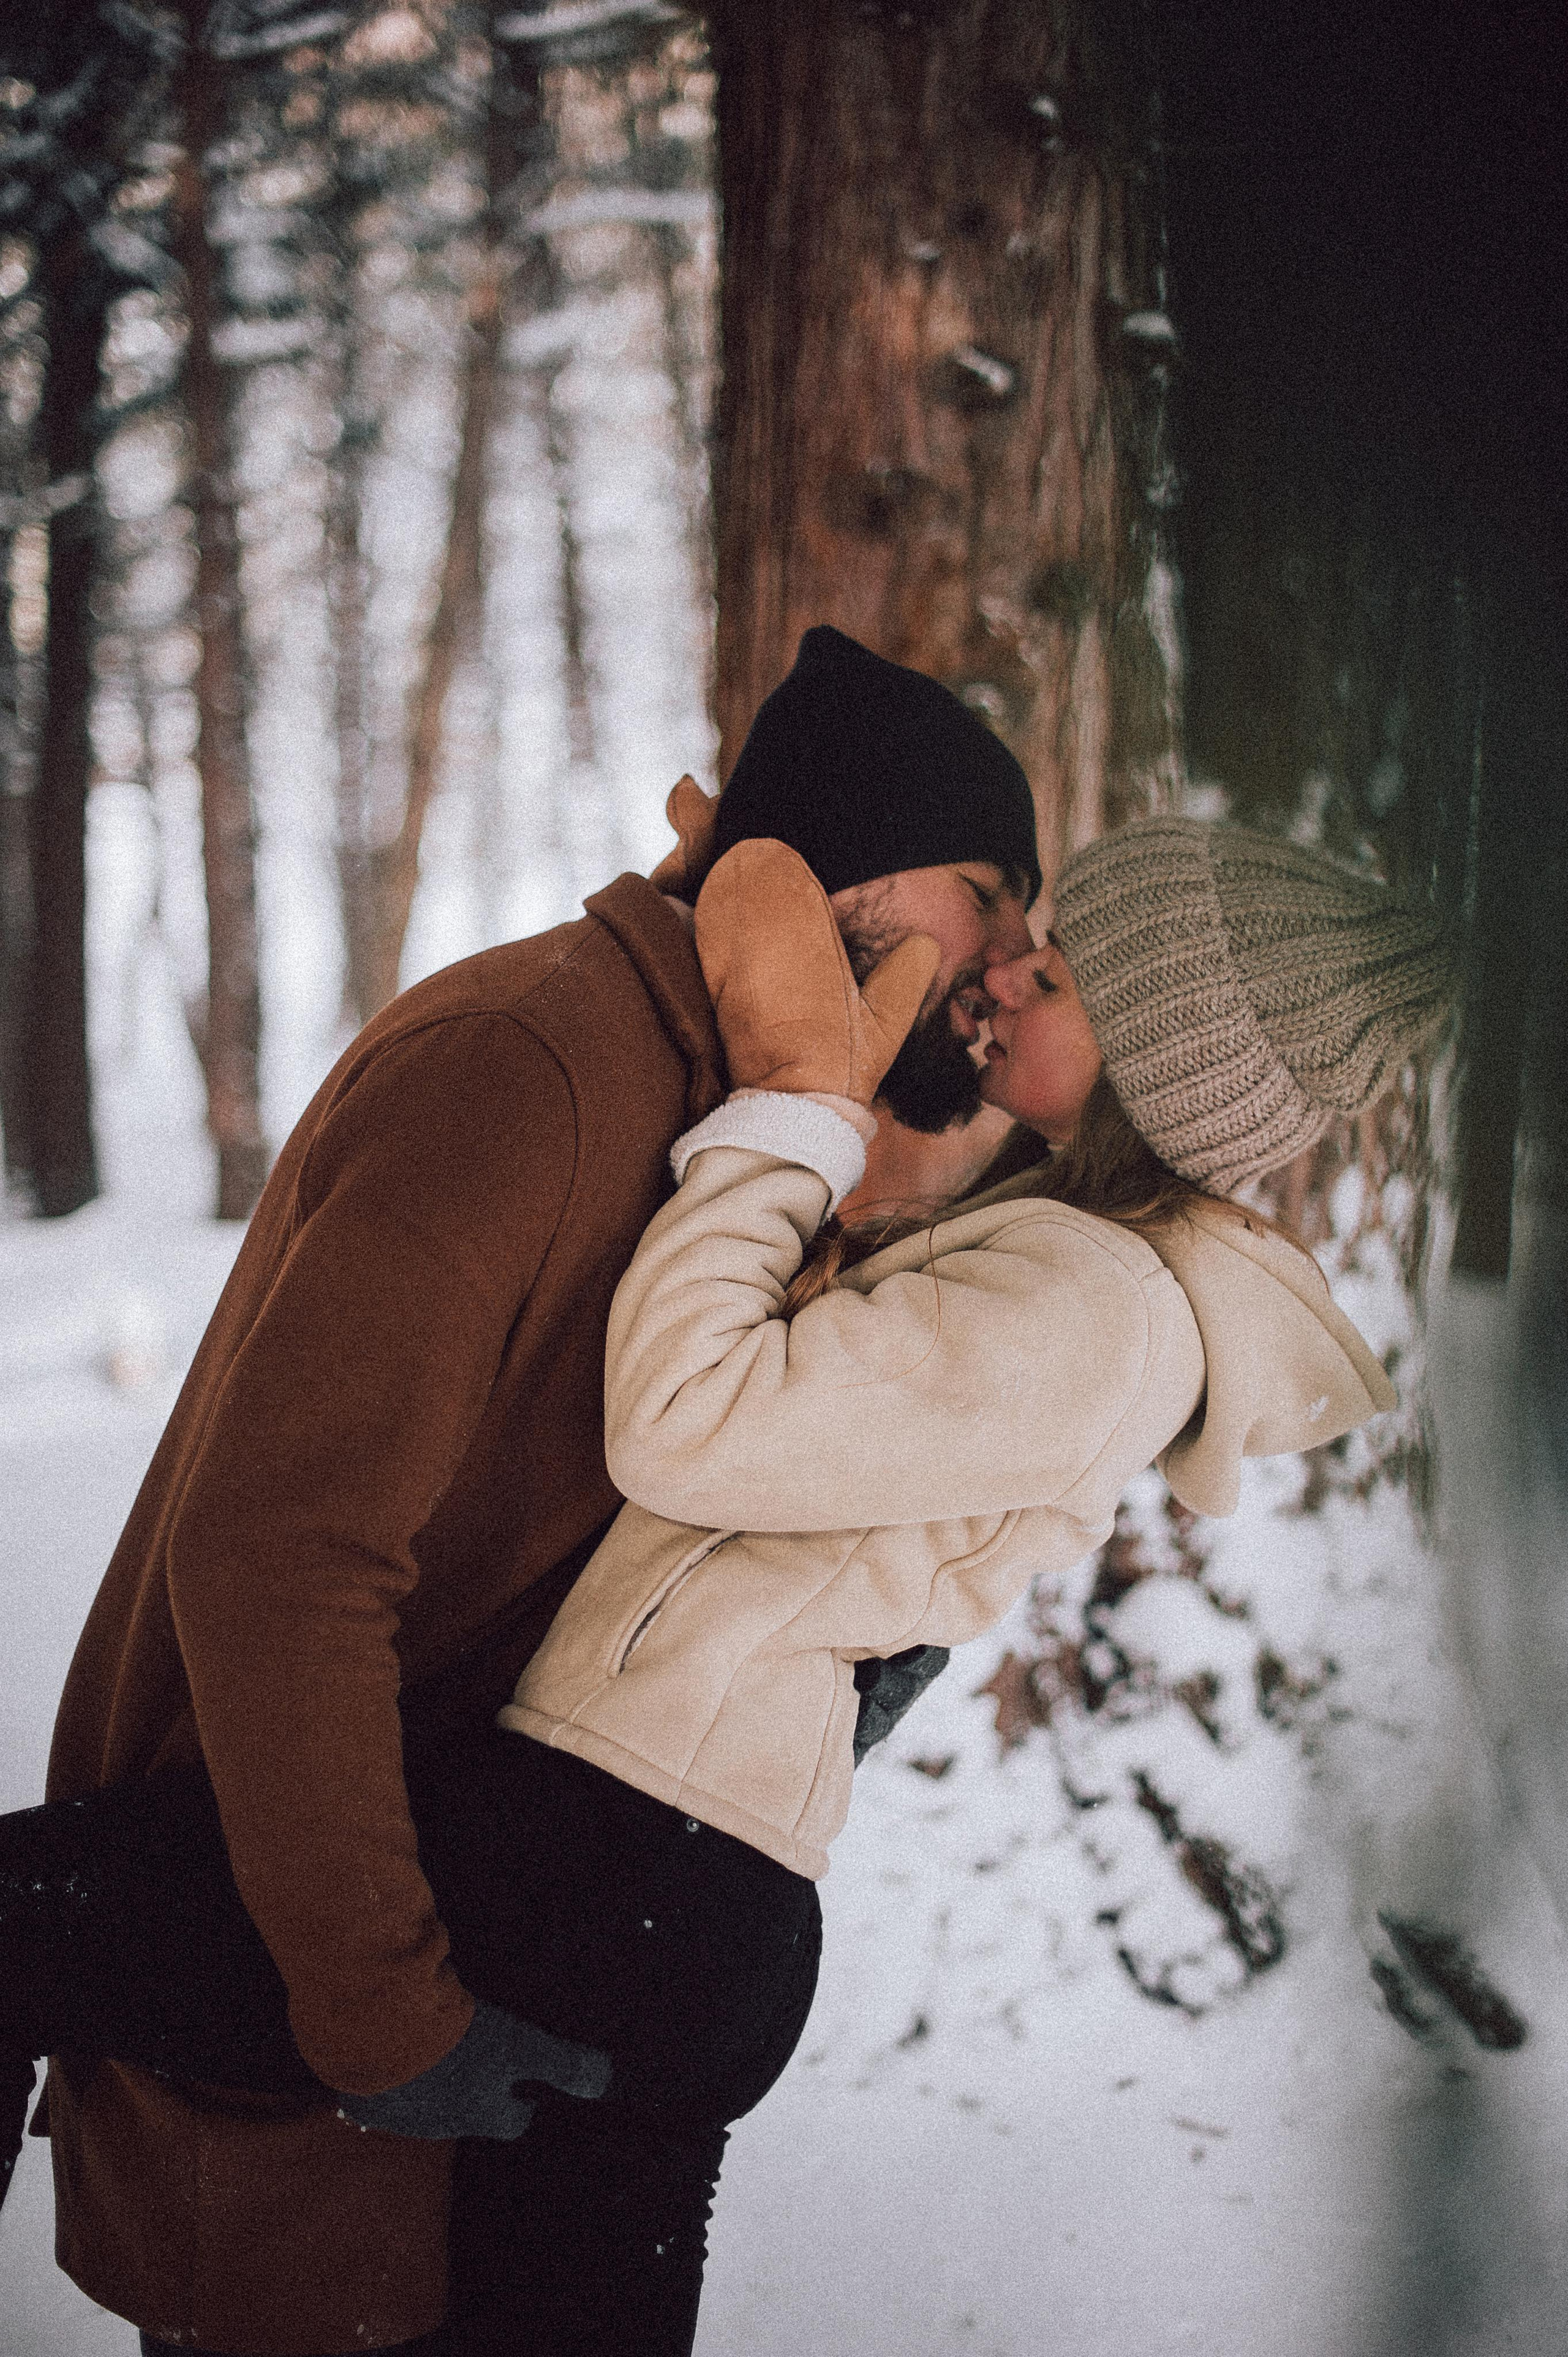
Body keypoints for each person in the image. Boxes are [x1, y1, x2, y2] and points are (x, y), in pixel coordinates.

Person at [0, 810, 1449, 2357]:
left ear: (1164, 1070)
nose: (1007, 981)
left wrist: (796, 1114)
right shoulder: (1060, 1251)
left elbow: (688, 1418)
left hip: (629, 1858)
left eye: (1062, 974)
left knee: (39, 1923)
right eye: (1028, 946)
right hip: (658, 1882)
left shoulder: (1096, 1301)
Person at [1, 622, 1041, 2356]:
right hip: (318, 2033)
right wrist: (386, 2017)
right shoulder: (538, 1064)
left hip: (496, 2022)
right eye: (986, 900)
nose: (1005, 963)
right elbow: (278, 1564)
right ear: (843, 862)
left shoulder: (747, 1135)